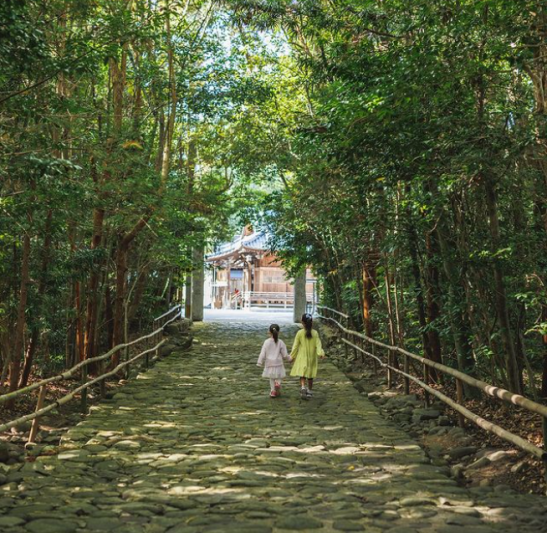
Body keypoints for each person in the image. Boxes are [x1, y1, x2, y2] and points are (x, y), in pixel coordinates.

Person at [290, 313, 325, 399]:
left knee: (302, 374)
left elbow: (295, 346)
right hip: (311, 358)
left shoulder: (299, 333)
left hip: (302, 357)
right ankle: (309, 390)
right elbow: (318, 344)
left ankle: (302, 387)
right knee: (310, 375)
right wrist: (320, 353)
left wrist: (292, 356)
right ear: (312, 322)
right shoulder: (315, 333)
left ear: (302, 323)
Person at [257, 324, 292, 398]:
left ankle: (273, 391)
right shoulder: (280, 342)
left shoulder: (266, 342)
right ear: (279, 332)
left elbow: (262, 353)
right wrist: (290, 359)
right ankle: (278, 383)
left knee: (271, 378)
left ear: (269, 332)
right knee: (278, 376)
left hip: (269, 363)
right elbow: (285, 354)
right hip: (278, 363)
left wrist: (259, 362)